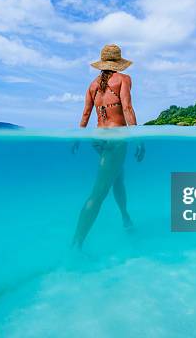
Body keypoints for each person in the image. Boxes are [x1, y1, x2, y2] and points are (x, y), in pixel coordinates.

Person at [72, 44, 145, 249]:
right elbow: (128, 108)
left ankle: (125, 218)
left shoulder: (92, 85)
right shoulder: (123, 79)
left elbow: (86, 114)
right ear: (118, 63)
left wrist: (78, 138)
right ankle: (76, 244)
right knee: (99, 192)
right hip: (115, 139)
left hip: (98, 139)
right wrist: (138, 138)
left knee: (117, 177)